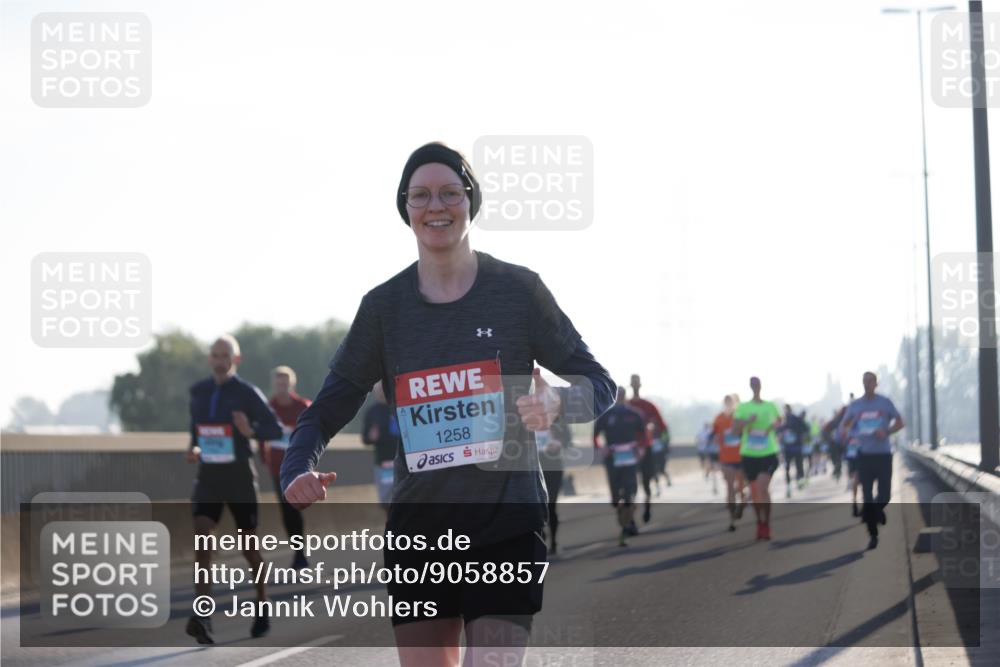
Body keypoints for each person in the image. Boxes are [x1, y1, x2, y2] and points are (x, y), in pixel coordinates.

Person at [279, 143, 616, 667]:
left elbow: (599, 382)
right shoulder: (383, 309)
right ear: (406, 209)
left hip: (507, 524)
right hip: (420, 530)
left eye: (449, 193)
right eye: (421, 195)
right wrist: (297, 466)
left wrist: (560, 403)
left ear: (470, 201)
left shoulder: (518, 291)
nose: (436, 206)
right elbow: (325, 409)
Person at [185, 335, 284, 644]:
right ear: (209, 359)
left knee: (249, 549)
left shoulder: (247, 393)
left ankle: (262, 606)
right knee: (202, 537)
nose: (219, 360)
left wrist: (250, 431)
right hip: (209, 476)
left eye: (224, 355)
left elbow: (275, 429)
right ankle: (202, 615)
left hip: (239, 476)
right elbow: (196, 432)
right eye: (214, 354)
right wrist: (194, 450)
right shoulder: (198, 392)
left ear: (235, 359)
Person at [841, 372, 904, 550]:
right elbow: (843, 427)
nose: (868, 384)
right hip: (865, 456)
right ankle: (873, 535)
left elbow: (900, 422)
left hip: (883, 455)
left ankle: (878, 510)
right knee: (867, 496)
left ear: (876, 383)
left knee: (884, 495)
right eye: (865, 382)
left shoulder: (885, 403)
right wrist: (848, 429)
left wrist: (887, 432)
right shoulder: (855, 406)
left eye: (871, 381)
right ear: (862, 384)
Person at [259, 365, 312, 569]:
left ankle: (299, 552)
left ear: (292, 383)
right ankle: (298, 551)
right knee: (287, 509)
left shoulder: (303, 406)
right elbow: (261, 433)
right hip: (277, 467)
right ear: (273, 383)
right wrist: (264, 455)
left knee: (294, 507)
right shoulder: (267, 407)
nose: (282, 385)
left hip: (298, 465)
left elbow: (312, 434)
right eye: (278, 381)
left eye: (285, 381)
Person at [594, 387, 647, 547]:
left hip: (629, 459)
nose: (620, 398)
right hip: (612, 459)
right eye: (617, 396)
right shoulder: (606, 415)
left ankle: (627, 524)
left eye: (622, 395)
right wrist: (602, 448)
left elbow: (644, 435)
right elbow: (595, 436)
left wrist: (641, 449)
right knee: (616, 499)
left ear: (625, 397)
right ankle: (625, 517)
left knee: (630, 493)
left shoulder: (634, 414)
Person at [732, 376, 781, 540]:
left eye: (757, 384)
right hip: (749, 454)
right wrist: (747, 421)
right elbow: (735, 430)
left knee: (762, 487)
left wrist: (773, 426)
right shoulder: (743, 407)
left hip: (768, 453)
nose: (755, 387)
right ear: (750, 387)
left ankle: (766, 523)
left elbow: (779, 420)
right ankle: (759, 523)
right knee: (755, 492)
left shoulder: (770, 406)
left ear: (761, 386)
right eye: (753, 384)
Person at [628, 374, 668, 522]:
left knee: (646, 482)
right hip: (630, 450)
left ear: (640, 385)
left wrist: (652, 429)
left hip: (647, 448)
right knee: (630, 484)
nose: (635, 385)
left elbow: (662, 426)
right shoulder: (626, 405)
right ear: (630, 385)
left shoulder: (649, 406)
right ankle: (630, 517)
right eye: (633, 382)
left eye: (637, 382)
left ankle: (647, 507)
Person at [536, 410, 574, 554]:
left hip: (554, 467)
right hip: (533, 468)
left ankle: (554, 542)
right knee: (536, 505)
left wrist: (559, 443)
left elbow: (568, 440)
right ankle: (541, 535)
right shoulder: (527, 419)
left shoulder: (559, 421)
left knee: (551, 505)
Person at [361, 381, 400, 510]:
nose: (381, 393)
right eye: (379, 390)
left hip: (403, 461)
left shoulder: (399, 407)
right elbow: (365, 439)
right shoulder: (372, 412)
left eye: (384, 389)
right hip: (383, 463)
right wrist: (371, 437)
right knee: (386, 499)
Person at [712, 394, 746, 532]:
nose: (728, 404)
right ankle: (732, 520)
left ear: (735, 403)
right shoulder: (719, 418)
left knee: (741, 489)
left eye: (730, 402)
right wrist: (717, 439)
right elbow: (714, 435)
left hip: (742, 458)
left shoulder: (740, 418)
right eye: (726, 402)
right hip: (726, 459)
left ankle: (742, 505)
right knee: (730, 488)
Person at [777, 404, 807, 497]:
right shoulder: (783, 420)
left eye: (787, 410)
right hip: (787, 448)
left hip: (796, 447)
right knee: (787, 468)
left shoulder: (796, 419)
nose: (786, 412)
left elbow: (806, 428)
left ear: (790, 410)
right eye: (785, 410)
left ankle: (799, 481)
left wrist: (798, 434)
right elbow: (777, 430)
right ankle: (789, 487)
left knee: (798, 465)